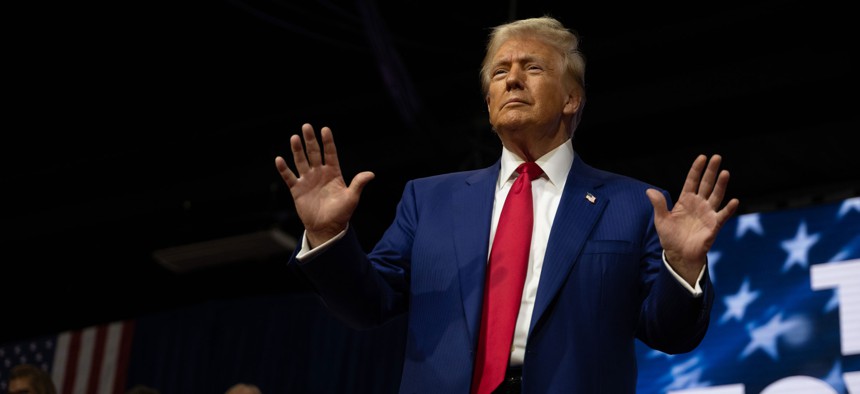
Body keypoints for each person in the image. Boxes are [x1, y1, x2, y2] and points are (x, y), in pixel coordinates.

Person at [274, 15, 739, 393]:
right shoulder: (429, 199)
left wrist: (682, 266)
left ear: (572, 98)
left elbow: (671, 333)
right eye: (501, 71)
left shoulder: (632, 204)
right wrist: (327, 237)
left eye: (533, 68)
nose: (513, 79)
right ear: (489, 99)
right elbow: (366, 306)